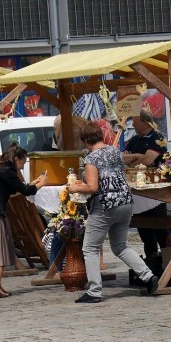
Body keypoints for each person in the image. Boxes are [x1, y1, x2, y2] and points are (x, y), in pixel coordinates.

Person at [67, 122, 159, 303]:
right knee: (120, 246)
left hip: (105, 206)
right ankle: (148, 276)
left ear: (85, 141)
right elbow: (124, 164)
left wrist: (74, 188)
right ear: (100, 136)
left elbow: (93, 187)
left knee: (90, 248)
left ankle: (94, 291)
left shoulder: (91, 159)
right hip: (125, 202)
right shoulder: (114, 151)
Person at [0, 143, 48, 299]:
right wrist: (41, 184)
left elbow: (16, 188)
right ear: (16, 159)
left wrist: (34, 182)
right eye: (22, 163)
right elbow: (25, 191)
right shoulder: (8, 171)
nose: (21, 167)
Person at [121, 110, 170, 260]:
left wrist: (134, 161)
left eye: (135, 120)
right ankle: (151, 262)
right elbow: (123, 158)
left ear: (144, 122)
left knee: (161, 229)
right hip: (137, 189)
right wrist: (137, 157)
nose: (133, 124)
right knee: (144, 230)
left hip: (156, 189)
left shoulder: (158, 138)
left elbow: (148, 160)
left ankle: (168, 262)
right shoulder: (135, 140)